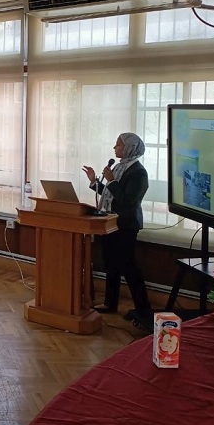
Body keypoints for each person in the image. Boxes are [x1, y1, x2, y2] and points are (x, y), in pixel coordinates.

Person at [82, 132, 152, 326]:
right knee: (111, 264)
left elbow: (128, 200)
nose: (115, 148)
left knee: (129, 268)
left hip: (126, 226)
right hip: (110, 223)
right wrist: (95, 181)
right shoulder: (121, 167)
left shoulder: (138, 172)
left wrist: (111, 180)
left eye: (118, 145)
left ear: (129, 148)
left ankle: (143, 309)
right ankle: (109, 303)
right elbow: (109, 194)